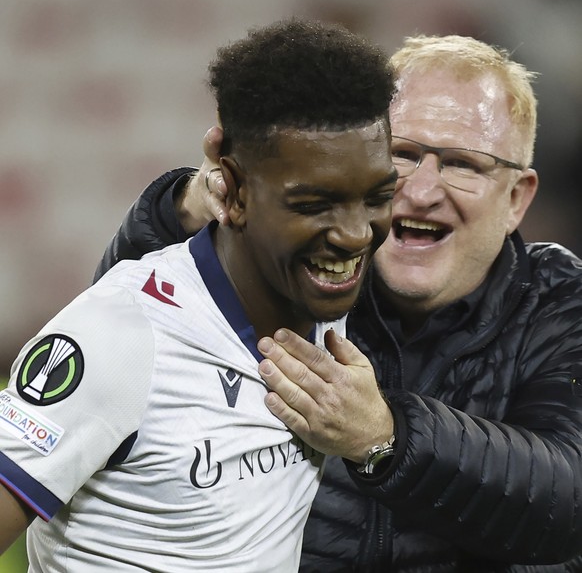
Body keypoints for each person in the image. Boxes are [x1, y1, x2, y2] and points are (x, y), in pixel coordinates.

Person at [93, 33, 582, 571]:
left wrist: (384, 436)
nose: (420, 191)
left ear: (516, 198)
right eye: (402, 154)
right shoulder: (301, 272)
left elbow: (568, 499)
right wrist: (185, 208)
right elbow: (118, 325)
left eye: (463, 164)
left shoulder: (560, 301)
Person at [0, 19, 399, 571]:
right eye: (313, 204)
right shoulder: (119, 337)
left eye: (378, 196)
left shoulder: (330, 308)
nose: (356, 234)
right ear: (231, 191)